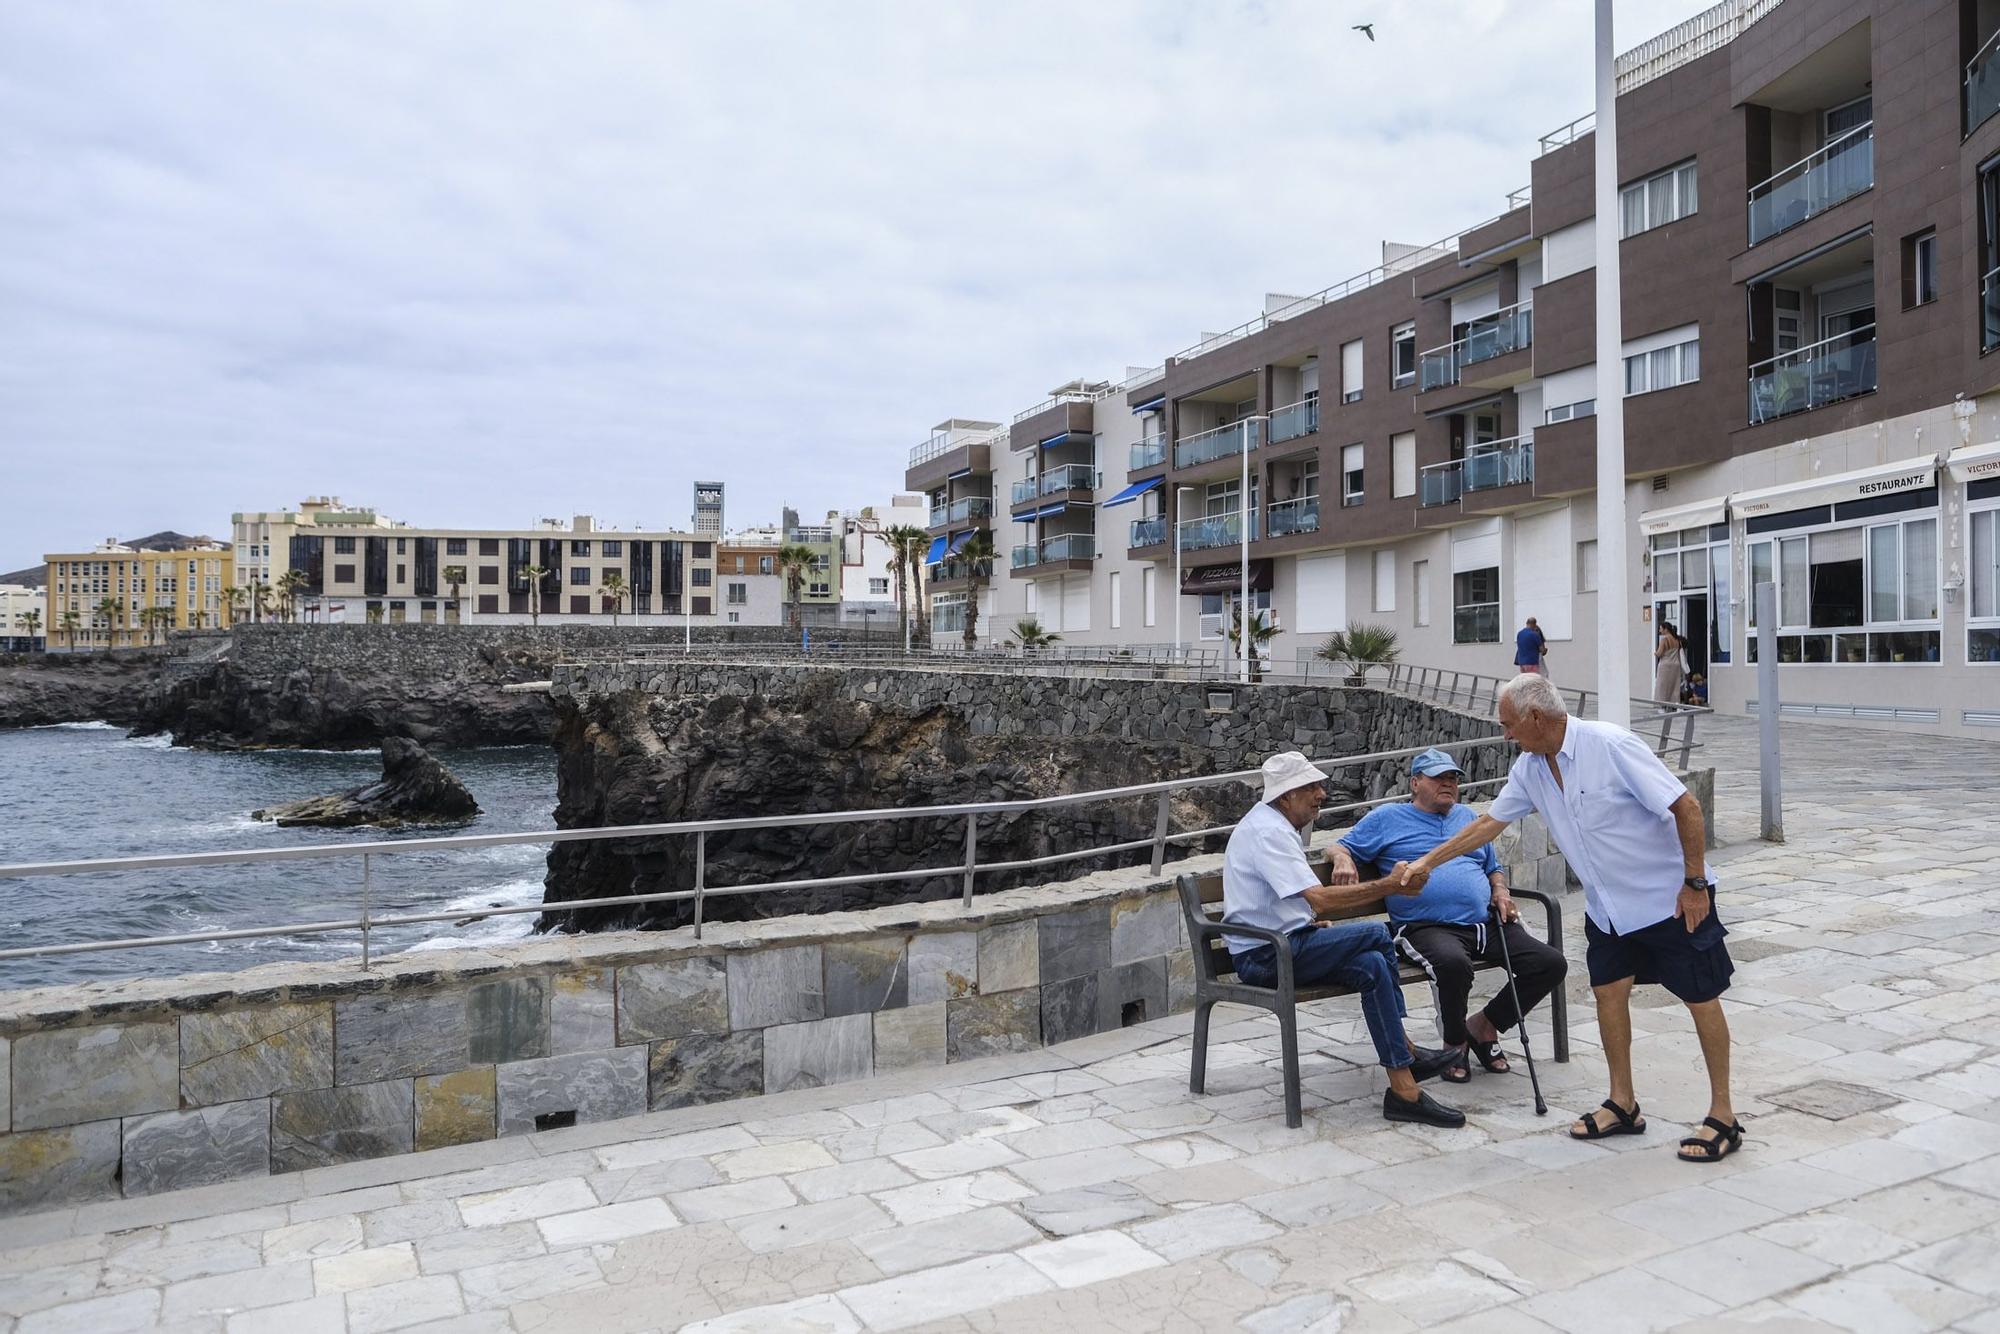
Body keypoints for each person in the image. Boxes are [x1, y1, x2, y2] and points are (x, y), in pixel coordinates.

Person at [1397, 675, 1740, 1163]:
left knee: (1701, 998)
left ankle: (1723, 1115)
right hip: (1609, 910)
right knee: (1608, 995)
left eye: (1509, 725)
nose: (1506, 735)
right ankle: (1623, 1103)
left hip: (1670, 900)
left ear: (1536, 718)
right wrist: (1429, 862)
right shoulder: (1531, 768)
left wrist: (1695, 884)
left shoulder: (1611, 746)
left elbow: (1685, 806)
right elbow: (1489, 823)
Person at [1222, 751, 1466, 1128]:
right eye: (1313, 787)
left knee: (1370, 966)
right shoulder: (1267, 832)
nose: (1322, 794)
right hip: (1265, 956)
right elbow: (1318, 898)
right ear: (1287, 796)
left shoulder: (1275, 825)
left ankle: (1404, 1091)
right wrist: (1388, 885)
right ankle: (1408, 1051)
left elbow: (1291, 903)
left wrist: (1308, 920)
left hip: (1285, 942)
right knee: (1375, 932)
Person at [1329, 748, 1568, 1084]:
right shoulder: (1387, 819)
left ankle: (1484, 1026)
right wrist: (1342, 859)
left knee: (1550, 963)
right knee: (1453, 965)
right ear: (1415, 783)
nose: (1449, 783)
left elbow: (1492, 868)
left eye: (1453, 778)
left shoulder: (1468, 818)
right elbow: (1338, 845)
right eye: (1439, 777)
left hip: (1484, 923)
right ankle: (1454, 1042)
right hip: (1425, 926)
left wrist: (1500, 890)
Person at [1654, 620, 1685, 703]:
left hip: (1665, 666)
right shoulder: (1677, 640)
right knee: (1675, 686)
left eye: (1660, 629)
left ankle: (1663, 705)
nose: (1659, 631)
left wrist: (1655, 653)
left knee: (1663, 686)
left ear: (1666, 629)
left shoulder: (1664, 640)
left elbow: (1659, 653)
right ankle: (1675, 704)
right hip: (1676, 665)